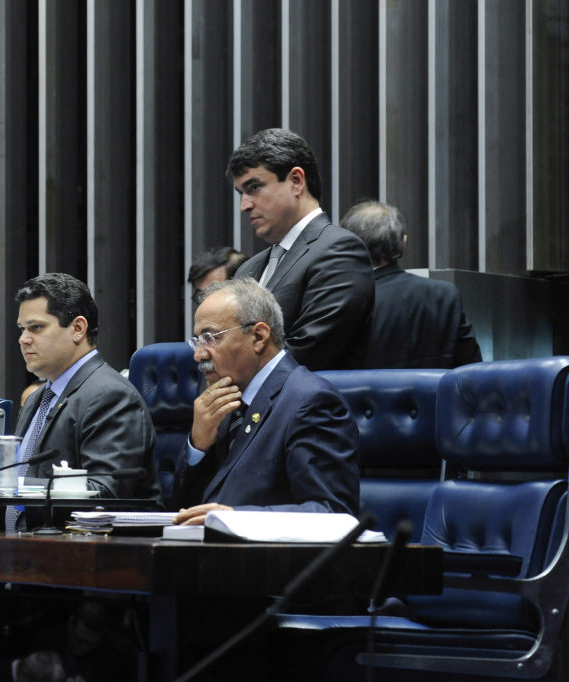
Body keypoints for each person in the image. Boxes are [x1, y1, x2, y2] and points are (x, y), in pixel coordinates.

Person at [0, 273, 159, 531]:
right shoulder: (38, 398)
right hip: (20, 550)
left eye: (36, 327)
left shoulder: (111, 396)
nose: (23, 339)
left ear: (77, 329)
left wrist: (12, 482)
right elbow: (24, 490)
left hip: (80, 557)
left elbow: (105, 493)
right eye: (22, 329)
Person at [173, 277, 360, 525]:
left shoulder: (311, 402)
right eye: (197, 341)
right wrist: (197, 446)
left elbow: (334, 514)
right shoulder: (224, 401)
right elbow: (182, 507)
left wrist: (237, 519)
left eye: (211, 338)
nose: (199, 355)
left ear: (259, 336)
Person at [228, 128, 374, 370]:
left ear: (296, 182)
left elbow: (306, 354)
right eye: (241, 193)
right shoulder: (247, 268)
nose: (244, 205)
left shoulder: (340, 250)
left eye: (254, 187)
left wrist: (231, 379)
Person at [341, 199, 483, 369]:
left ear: (347, 246)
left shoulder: (343, 300)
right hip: (433, 396)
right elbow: (471, 370)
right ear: (403, 245)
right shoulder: (444, 295)